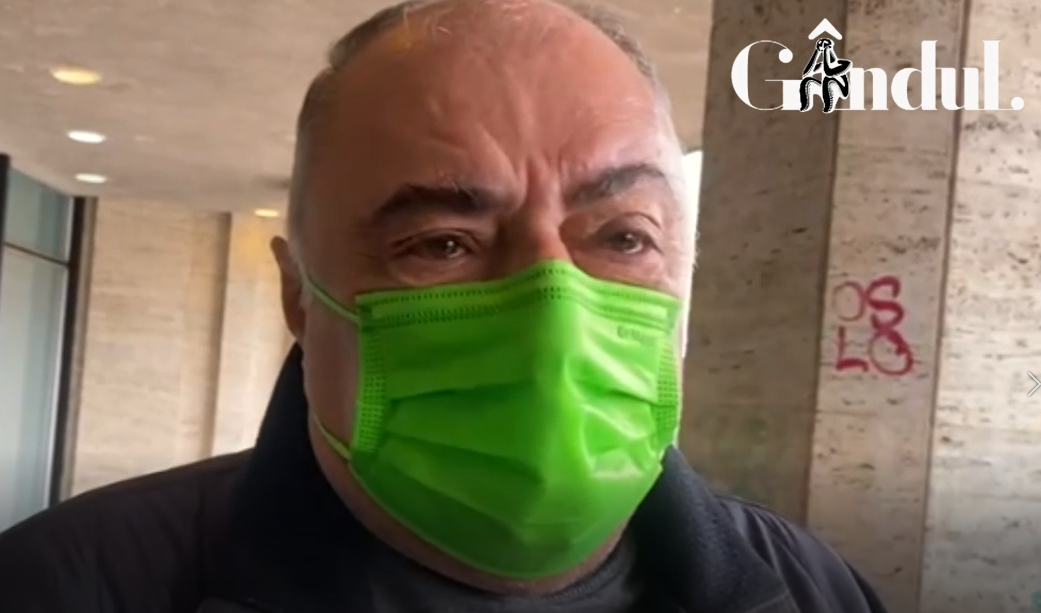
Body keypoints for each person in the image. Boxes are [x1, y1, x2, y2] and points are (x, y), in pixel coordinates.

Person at [0, 1, 890, 611]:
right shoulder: (66, 584)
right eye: (442, 243)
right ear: (299, 295)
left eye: (621, 237)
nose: (550, 316)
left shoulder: (814, 588)